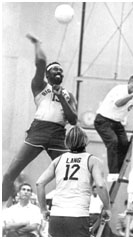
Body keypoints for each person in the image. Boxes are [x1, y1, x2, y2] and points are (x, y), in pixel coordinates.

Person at [2, 33, 77, 202]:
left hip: (58, 134)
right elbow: (41, 63)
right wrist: (37, 44)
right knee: (9, 174)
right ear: (48, 75)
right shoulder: (39, 86)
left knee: (69, 177)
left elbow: (73, 120)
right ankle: (3, 207)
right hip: (38, 131)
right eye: (55, 69)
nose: (59, 71)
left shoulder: (69, 95)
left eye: (61, 70)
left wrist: (62, 98)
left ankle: (66, 209)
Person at [36, 125, 111, 237]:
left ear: (67, 141)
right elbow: (100, 185)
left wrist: (43, 210)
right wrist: (107, 207)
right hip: (78, 216)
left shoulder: (58, 160)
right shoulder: (92, 160)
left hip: (56, 216)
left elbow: (39, 183)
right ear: (86, 140)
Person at [94, 75, 133, 173]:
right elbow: (118, 103)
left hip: (117, 123)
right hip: (103, 120)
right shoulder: (119, 90)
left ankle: (119, 172)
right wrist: (132, 95)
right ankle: (113, 172)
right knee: (113, 141)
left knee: (124, 144)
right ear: (129, 83)